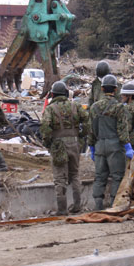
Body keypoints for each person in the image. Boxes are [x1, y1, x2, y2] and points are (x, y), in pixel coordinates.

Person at [40, 81, 90, 215]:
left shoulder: (50, 109)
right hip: (74, 143)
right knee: (74, 175)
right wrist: (81, 137)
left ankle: (62, 209)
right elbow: (86, 120)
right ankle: (77, 206)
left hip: (58, 146)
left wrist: (48, 143)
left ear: (53, 94)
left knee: (60, 178)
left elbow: (45, 127)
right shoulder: (75, 105)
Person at [88, 74, 134, 210]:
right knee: (117, 176)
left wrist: (91, 147)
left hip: (100, 145)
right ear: (115, 89)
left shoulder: (94, 107)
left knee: (99, 176)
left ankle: (98, 205)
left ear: (101, 89)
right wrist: (128, 146)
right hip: (115, 146)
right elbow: (122, 130)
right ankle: (114, 204)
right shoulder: (119, 107)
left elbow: (91, 130)